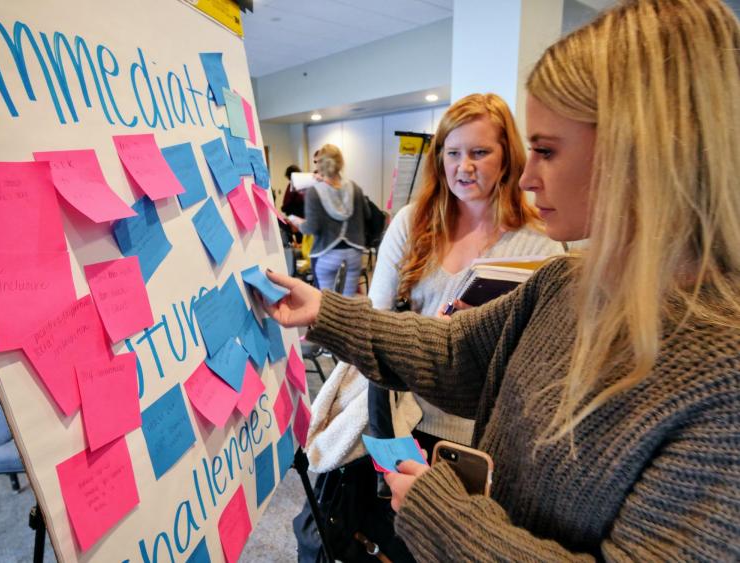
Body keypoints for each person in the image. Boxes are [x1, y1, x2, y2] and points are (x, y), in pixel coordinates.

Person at [262, 0, 740, 559]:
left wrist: (441, 514)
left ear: (641, 152)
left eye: (546, 151)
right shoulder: (567, 281)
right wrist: (325, 310)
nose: (529, 176)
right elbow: (454, 353)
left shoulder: (721, 377)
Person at [366, 92, 563, 496]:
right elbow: (375, 324)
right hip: (408, 418)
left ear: (507, 157)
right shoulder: (412, 223)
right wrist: (431, 336)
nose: (464, 167)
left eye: (479, 152)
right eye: (452, 153)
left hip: (489, 434)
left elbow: (548, 361)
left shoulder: (540, 246)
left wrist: (476, 336)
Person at [289, 144, 370, 296]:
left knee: (327, 304)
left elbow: (310, 228)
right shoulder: (355, 188)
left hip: (326, 253)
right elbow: (367, 214)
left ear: (320, 165)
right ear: (340, 163)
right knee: (347, 302)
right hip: (353, 253)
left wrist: (297, 222)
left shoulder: (314, 192)